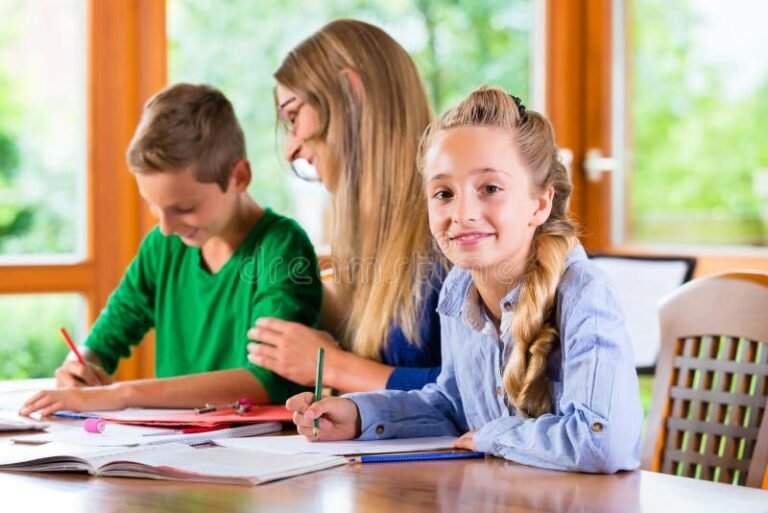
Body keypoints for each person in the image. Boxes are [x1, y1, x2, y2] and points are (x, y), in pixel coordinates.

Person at [285, 86, 643, 473]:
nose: (463, 213)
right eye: (443, 193)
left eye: (490, 189)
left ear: (540, 204)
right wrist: (359, 415)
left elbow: (602, 442)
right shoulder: (458, 289)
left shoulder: (582, 292)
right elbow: (452, 406)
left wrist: (492, 436)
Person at [20, 83, 321, 416]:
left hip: (265, 443)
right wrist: (78, 368)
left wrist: (124, 393)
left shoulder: (281, 247)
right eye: (154, 206)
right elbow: (106, 338)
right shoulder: (163, 246)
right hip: (175, 440)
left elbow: (270, 380)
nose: (166, 227)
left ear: (238, 177)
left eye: (185, 208)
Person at [247, 19, 446, 393]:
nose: (290, 149)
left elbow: (480, 391)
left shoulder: (455, 227)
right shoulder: (379, 242)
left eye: (294, 117)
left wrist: (331, 366)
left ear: (351, 95)